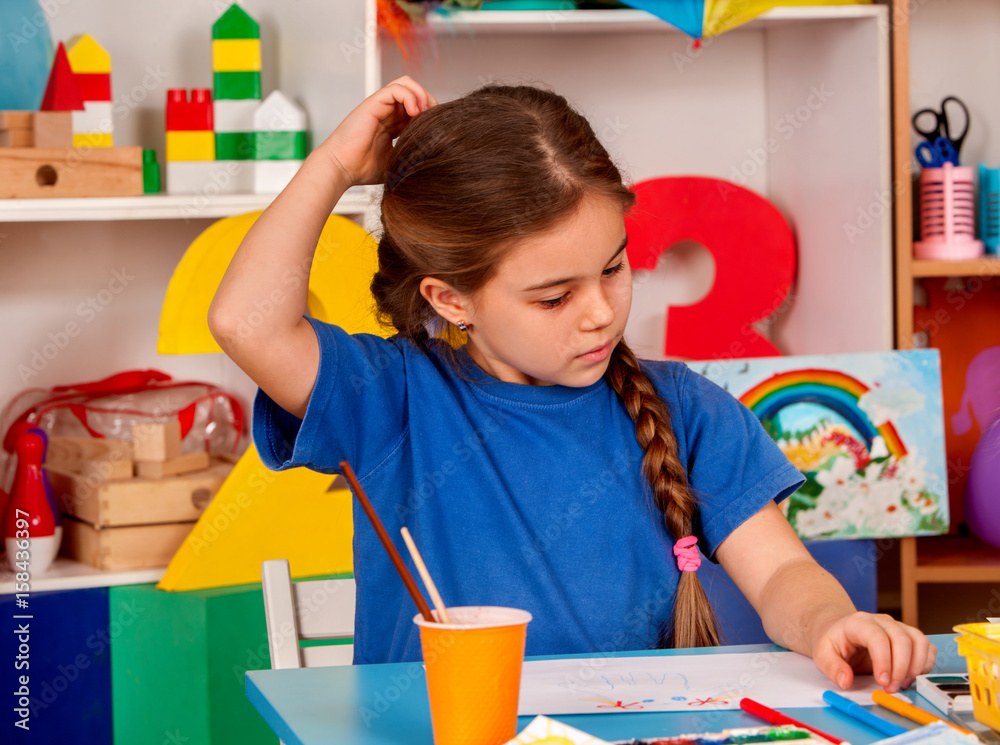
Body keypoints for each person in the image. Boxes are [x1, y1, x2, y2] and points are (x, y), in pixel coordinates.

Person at [209, 76, 936, 691]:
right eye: (555, 297)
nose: (600, 313)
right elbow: (246, 322)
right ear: (450, 300)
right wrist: (336, 164)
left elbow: (781, 573)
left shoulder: (685, 410)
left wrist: (830, 622)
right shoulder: (393, 397)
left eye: (614, 268)